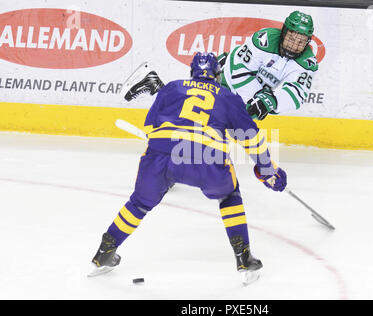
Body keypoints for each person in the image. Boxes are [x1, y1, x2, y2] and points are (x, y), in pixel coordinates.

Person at [89, 52, 287, 284]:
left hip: (161, 155)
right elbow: (251, 138)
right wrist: (267, 170)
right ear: (217, 75)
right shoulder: (228, 97)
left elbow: (151, 126)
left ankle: (104, 253)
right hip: (207, 158)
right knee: (229, 195)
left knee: (139, 203)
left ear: (191, 73)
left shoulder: (171, 88)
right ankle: (243, 258)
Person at [218, 10, 318, 120]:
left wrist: (273, 101)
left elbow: (297, 93)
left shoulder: (307, 63)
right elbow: (239, 72)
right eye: (291, 39)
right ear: (284, 33)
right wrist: (260, 97)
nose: (293, 46)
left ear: (307, 42)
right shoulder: (264, 40)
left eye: (300, 42)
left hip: (248, 96)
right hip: (226, 78)